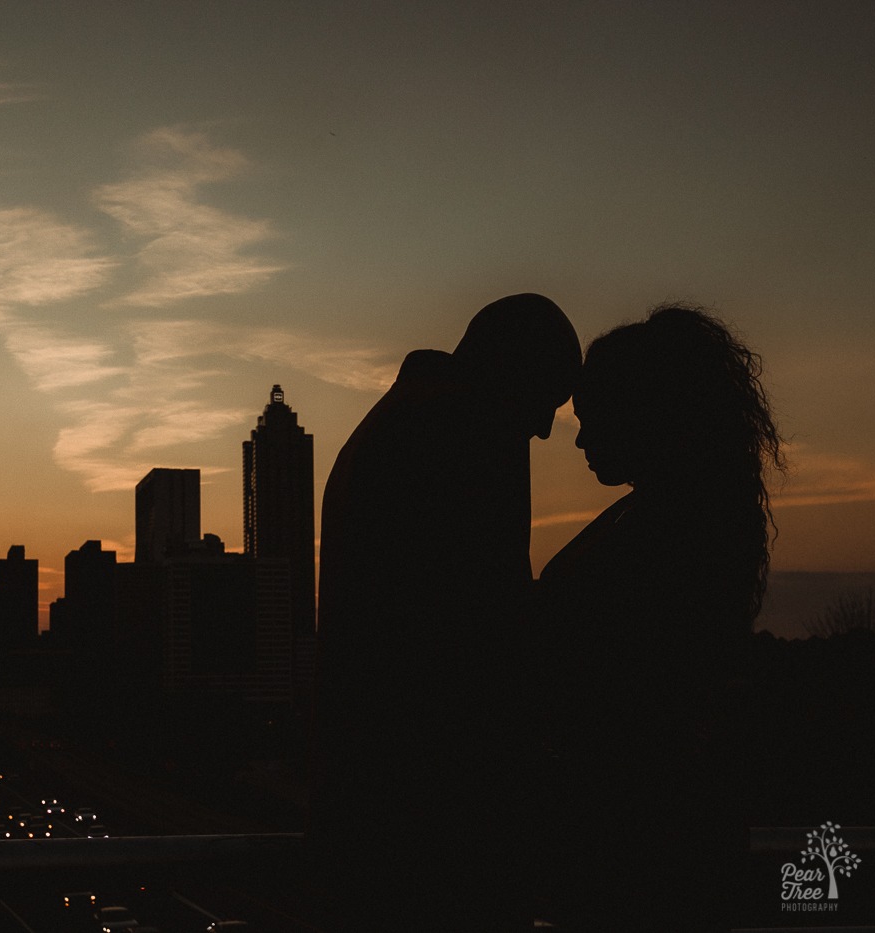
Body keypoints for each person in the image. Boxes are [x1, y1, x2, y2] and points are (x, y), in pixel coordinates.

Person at [312, 293, 580, 930]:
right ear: (511, 369)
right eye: (546, 398)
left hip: (375, 807)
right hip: (437, 822)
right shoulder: (465, 429)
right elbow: (489, 633)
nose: (544, 428)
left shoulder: (398, 419)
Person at [535, 305, 784, 931]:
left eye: (592, 421)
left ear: (644, 414)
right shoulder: (675, 524)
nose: (581, 441)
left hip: (637, 848)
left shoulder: (666, 538)